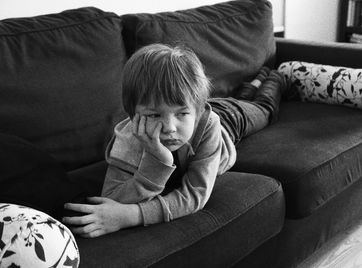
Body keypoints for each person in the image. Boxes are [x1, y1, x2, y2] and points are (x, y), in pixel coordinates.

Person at [62, 43, 288, 238]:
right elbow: (112, 198)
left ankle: (276, 75)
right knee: (242, 97)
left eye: (180, 114)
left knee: (264, 109)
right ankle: (256, 82)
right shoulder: (128, 138)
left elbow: (195, 195)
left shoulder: (208, 124)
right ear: (133, 115)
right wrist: (156, 161)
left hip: (228, 120)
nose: (169, 128)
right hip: (197, 107)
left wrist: (132, 216)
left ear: (197, 112)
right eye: (154, 115)